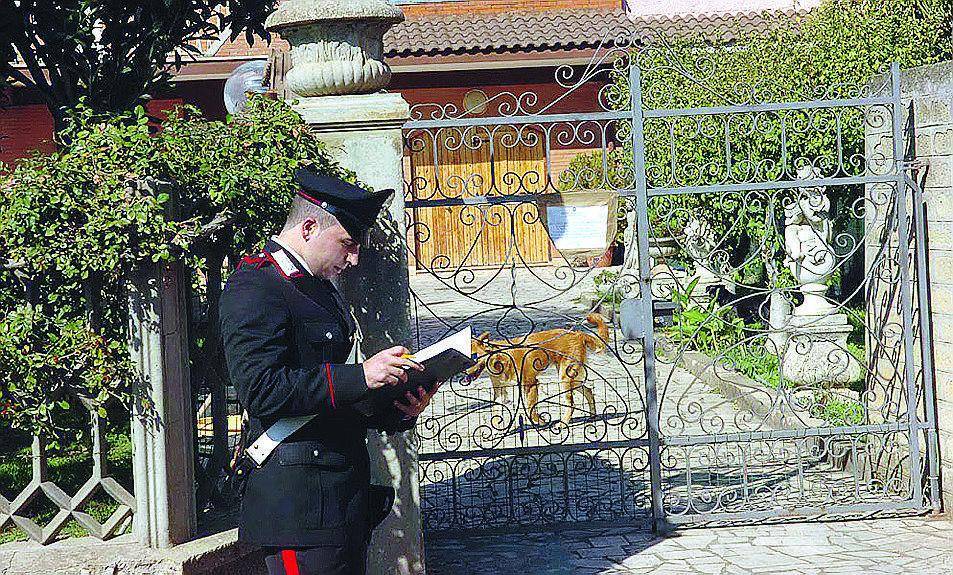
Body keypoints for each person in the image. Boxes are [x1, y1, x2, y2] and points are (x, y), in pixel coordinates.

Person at [219, 166, 437, 575]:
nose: (353, 259)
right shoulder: (255, 287)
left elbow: (328, 396)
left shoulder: (316, 287)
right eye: (347, 244)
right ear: (307, 228)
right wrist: (362, 376)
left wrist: (397, 408)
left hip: (338, 501)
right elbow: (262, 390)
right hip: (299, 507)